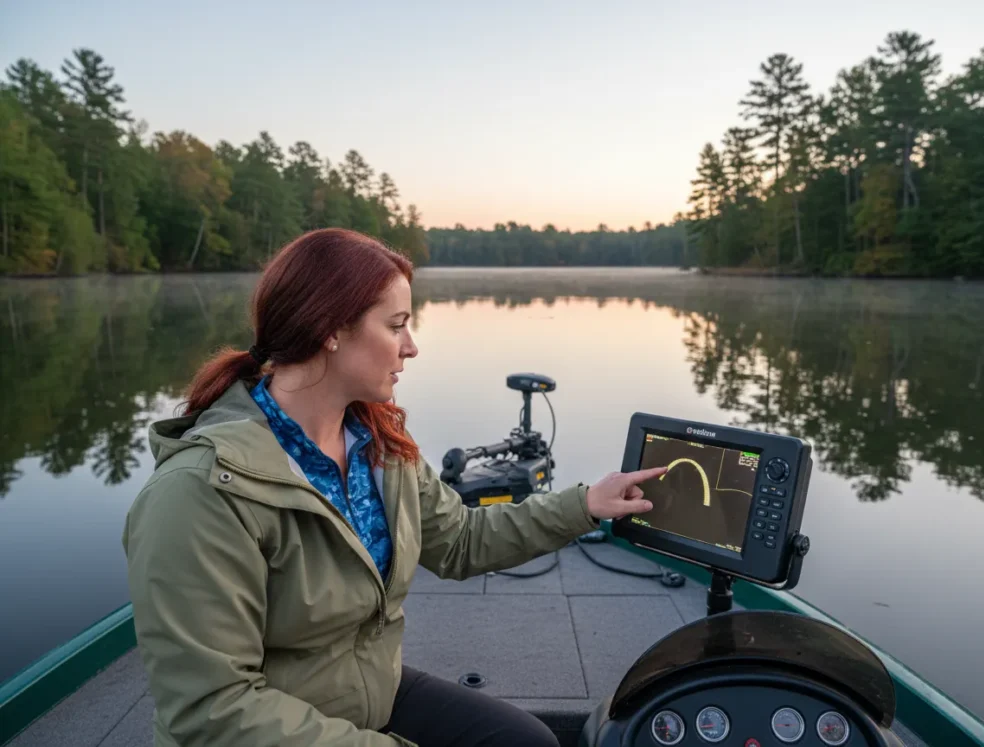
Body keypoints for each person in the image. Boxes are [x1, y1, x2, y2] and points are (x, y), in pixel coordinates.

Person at [122, 227, 665, 747]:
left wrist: (585, 505)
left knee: (527, 741)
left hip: (368, 696)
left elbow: (460, 540)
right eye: (397, 324)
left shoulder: (376, 442)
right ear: (329, 330)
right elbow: (214, 711)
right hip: (265, 727)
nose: (412, 347)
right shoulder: (200, 492)